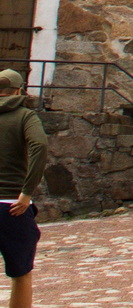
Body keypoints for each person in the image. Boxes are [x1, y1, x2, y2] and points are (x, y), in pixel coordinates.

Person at [0, 69, 46, 308]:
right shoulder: (25, 116)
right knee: (21, 274)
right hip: (12, 207)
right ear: (19, 91)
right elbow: (40, 145)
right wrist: (27, 192)